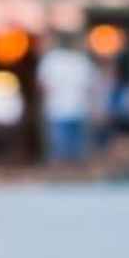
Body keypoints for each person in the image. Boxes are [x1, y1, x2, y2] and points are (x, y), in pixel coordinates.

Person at [36, 35, 96, 164]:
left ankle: (61, 176)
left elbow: (43, 86)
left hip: (58, 109)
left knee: (60, 149)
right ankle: (73, 176)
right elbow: (90, 88)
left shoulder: (51, 60)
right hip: (77, 109)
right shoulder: (81, 60)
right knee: (74, 151)